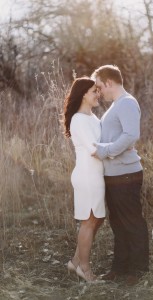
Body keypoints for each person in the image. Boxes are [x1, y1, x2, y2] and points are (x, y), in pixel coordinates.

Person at [91, 65, 149, 285]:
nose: (99, 92)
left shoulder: (126, 103)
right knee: (118, 222)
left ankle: (137, 271)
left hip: (126, 174)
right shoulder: (116, 105)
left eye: (99, 87)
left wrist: (105, 151)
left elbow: (131, 135)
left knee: (132, 222)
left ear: (109, 83)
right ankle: (120, 267)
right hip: (114, 174)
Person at [63, 77, 105, 282]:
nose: (98, 94)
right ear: (83, 95)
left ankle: (74, 262)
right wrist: (118, 150)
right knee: (89, 221)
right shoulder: (78, 119)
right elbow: (93, 149)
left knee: (98, 219)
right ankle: (84, 269)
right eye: (94, 91)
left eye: (98, 90)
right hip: (87, 175)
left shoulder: (94, 118)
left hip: (97, 175)